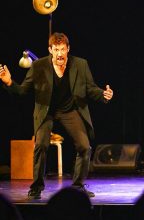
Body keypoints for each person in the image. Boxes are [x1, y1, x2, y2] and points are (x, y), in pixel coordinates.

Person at [0, 32, 113, 199]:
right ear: (50, 50)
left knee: (84, 146)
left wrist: (103, 94)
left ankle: (78, 186)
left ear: (68, 49)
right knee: (41, 146)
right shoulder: (38, 66)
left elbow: (91, 89)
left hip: (69, 110)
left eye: (62, 49)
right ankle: (37, 187)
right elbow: (23, 91)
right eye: (56, 49)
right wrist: (9, 82)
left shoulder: (80, 65)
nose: (59, 53)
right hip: (46, 111)